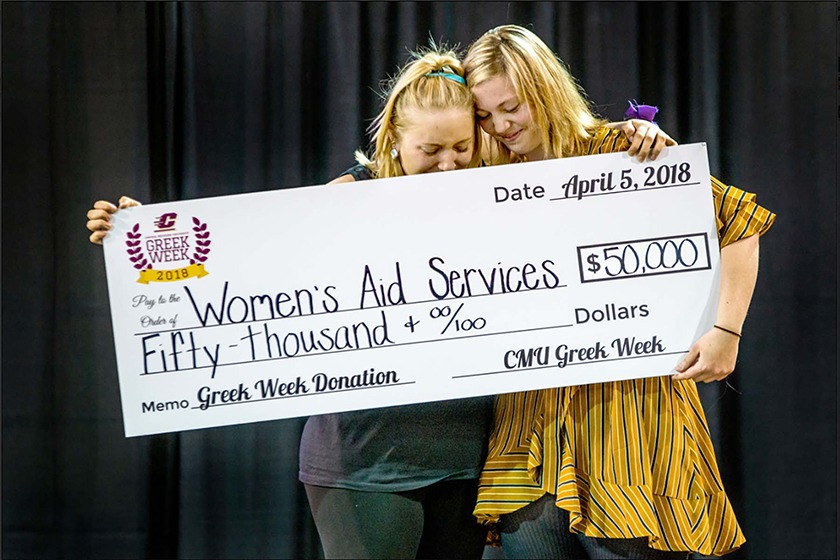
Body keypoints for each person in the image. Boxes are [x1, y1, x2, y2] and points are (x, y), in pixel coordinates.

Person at [85, 42, 674, 559]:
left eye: (463, 146)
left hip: (465, 463)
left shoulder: (495, 193)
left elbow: (583, 169)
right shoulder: (352, 196)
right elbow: (250, 254)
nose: (448, 163)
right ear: (394, 138)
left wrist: (638, 138)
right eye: (429, 150)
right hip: (363, 465)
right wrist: (149, 231)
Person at [462, 24, 776, 560]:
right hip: (528, 430)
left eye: (510, 106)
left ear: (544, 87)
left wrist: (726, 331)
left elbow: (739, 222)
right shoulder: (485, 176)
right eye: (486, 115)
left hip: (628, 425)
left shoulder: (620, 152)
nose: (501, 125)